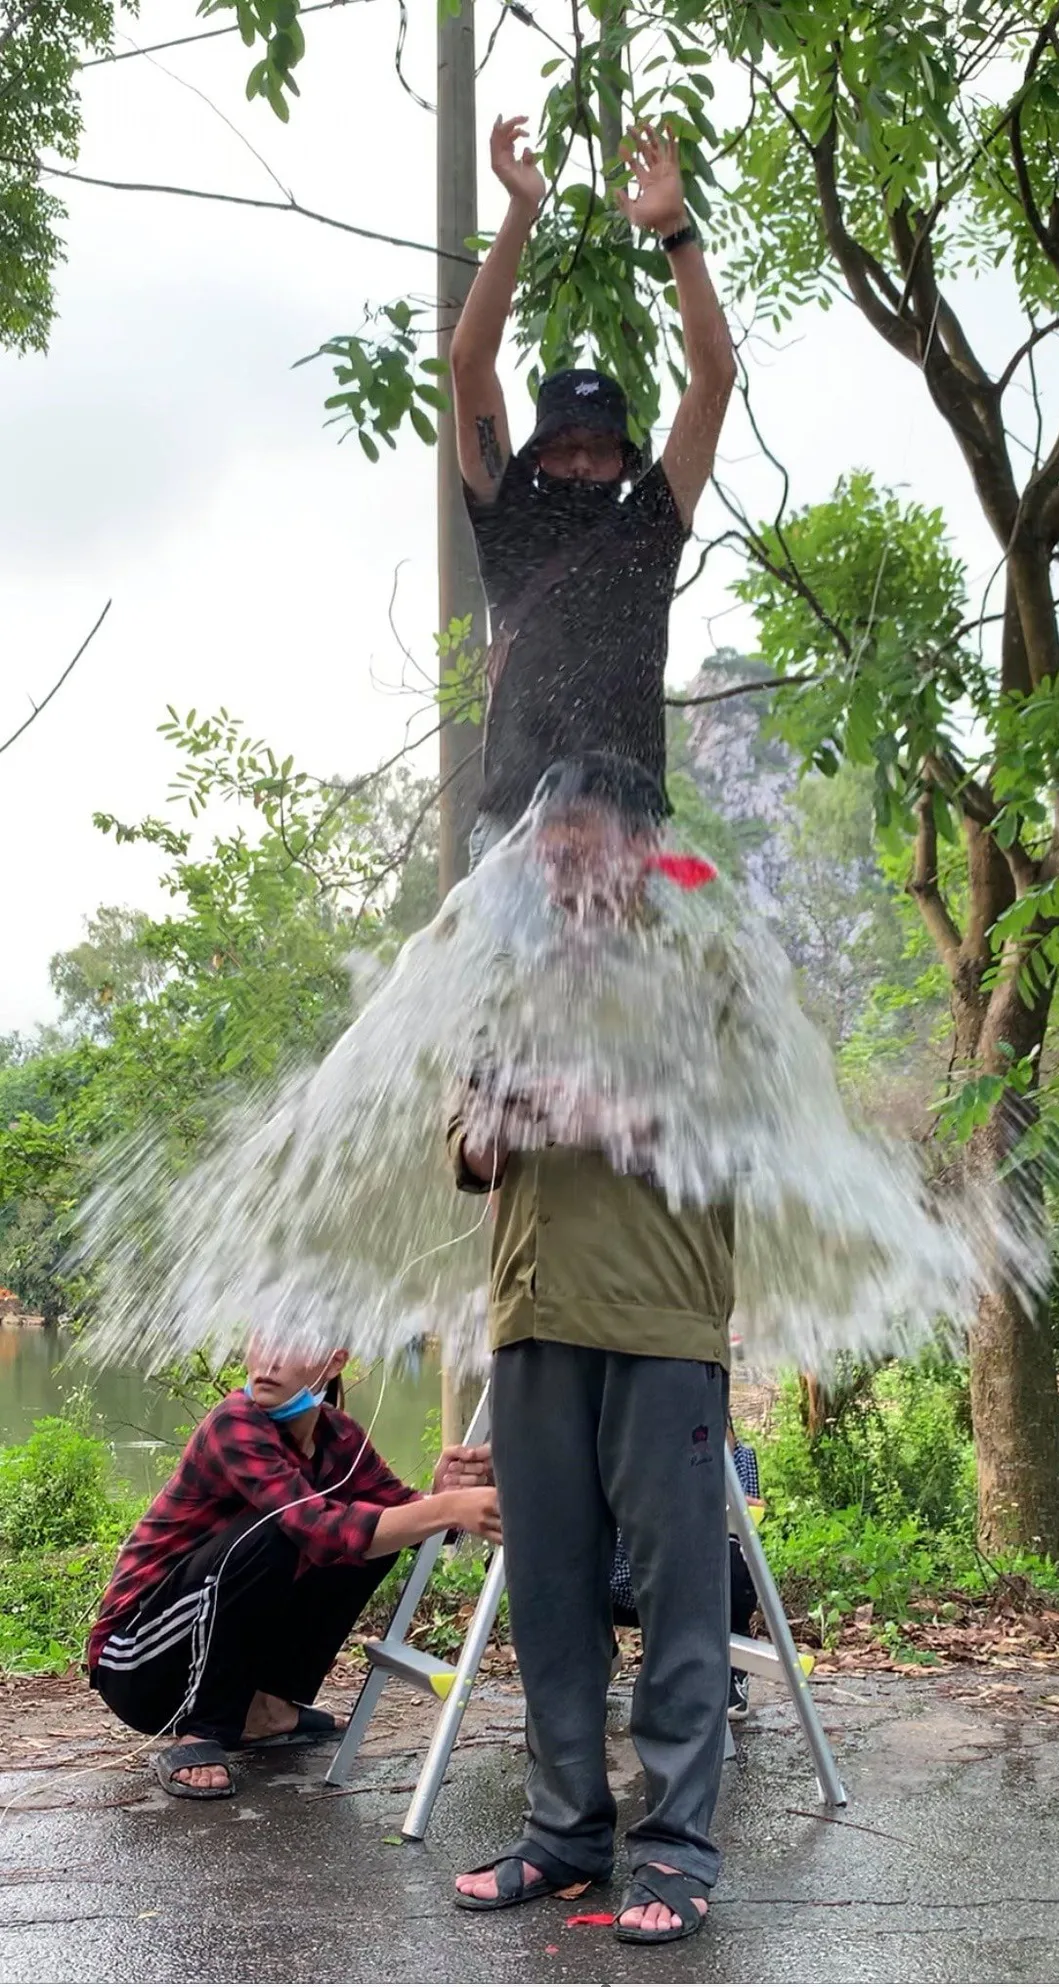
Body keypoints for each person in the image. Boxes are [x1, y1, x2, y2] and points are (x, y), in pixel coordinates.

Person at [449, 756, 735, 1948]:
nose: (559, 871)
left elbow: (736, 1126)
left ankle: (676, 1848)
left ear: (636, 850)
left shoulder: (704, 961)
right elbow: (465, 1150)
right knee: (551, 1583)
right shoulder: (504, 978)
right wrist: (497, 1125)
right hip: (528, 1312)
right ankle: (565, 1831)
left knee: (676, 1589)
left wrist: (593, 1106)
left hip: (659, 1316)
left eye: (581, 848)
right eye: (546, 851)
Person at [450, 116, 735, 867]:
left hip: (631, 833)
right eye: (565, 446)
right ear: (540, 456)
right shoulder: (507, 518)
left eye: (598, 449)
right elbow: (469, 361)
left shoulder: (651, 523)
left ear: (622, 462)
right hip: (514, 834)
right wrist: (520, 212)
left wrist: (676, 232)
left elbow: (714, 380)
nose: (581, 463)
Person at [88, 1342, 500, 1800]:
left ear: (335, 1361)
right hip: (137, 1662)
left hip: (201, 1650)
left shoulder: (338, 1437)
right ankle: (203, 1731)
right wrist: (445, 1509)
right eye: (261, 1343)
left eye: (292, 1345)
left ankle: (266, 1710)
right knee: (278, 1532)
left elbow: (402, 1517)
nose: (269, 1362)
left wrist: (439, 1497)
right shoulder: (235, 1423)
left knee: (374, 1534)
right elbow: (317, 1526)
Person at [611, 1421, 762, 1721]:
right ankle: (596, 1648)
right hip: (616, 1574)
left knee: (731, 1548)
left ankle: (730, 1668)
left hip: (687, 1574)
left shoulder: (731, 1454)